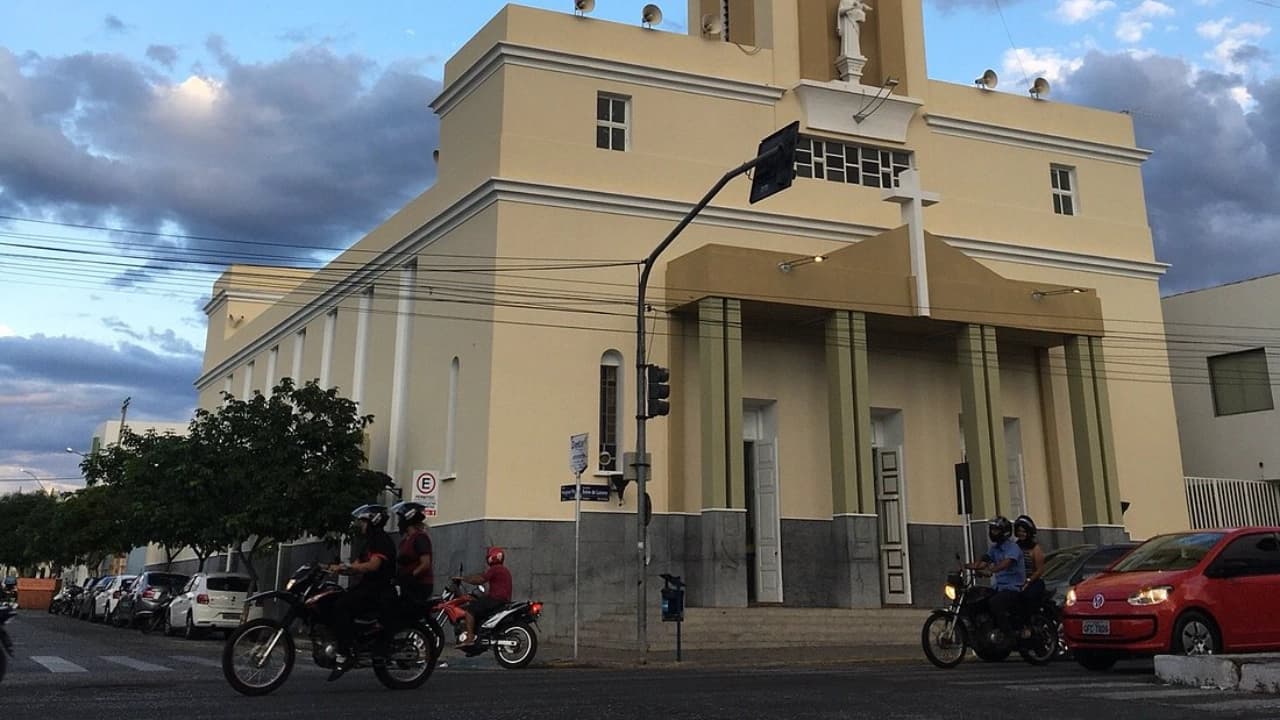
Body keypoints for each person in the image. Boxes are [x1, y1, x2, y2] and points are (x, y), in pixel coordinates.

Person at [325, 503, 397, 680]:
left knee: (341, 606)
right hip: (367, 587)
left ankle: (345, 651)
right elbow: (357, 566)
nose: (361, 526)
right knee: (334, 598)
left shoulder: (381, 540)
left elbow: (373, 565)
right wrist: (334, 568)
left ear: (373, 521)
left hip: (378, 590)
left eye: (363, 522)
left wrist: (349, 567)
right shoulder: (369, 543)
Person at [965, 516, 1024, 643]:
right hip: (998, 588)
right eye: (991, 530)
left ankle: (1008, 634)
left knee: (995, 603)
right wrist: (967, 566)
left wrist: (991, 570)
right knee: (976, 599)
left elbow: (1006, 563)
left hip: (1012, 588)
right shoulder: (994, 549)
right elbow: (984, 562)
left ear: (1005, 532)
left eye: (996, 530)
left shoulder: (1013, 548)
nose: (993, 533)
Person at [452, 546, 512, 648]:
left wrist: (463, 579)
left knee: (470, 610)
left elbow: (480, 579)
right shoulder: (504, 570)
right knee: (479, 605)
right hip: (502, 600)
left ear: (492, 558)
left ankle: (470, 637)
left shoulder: (495, 569)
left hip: (495, 600)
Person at [392, 500, 434, 604]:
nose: (398, 523)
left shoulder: (420, 538)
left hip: (419, 585)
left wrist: (411, 575)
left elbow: (426, 563)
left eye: (400, 519)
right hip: (406, 584)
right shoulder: (406, 540)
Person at [1014, 514, 1047, 638]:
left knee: (1025, 597)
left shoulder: (1035, 548)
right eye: (1019, 531)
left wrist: (1028, 581)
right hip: (1017, 581)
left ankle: (1028, 626)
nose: (1021, 534)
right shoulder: (1014, 547)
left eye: (1024, 531)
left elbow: (1039, 570)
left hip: (1034, 582)